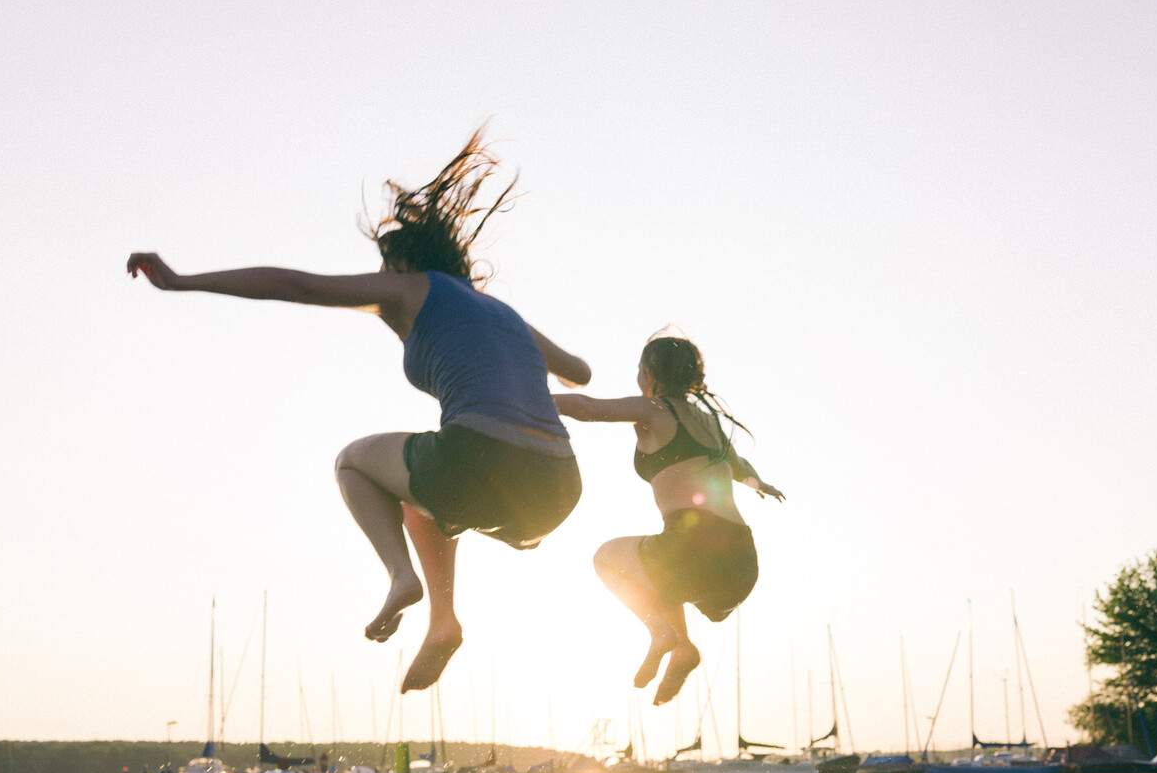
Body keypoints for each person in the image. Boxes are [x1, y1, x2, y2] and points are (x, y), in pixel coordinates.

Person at [126, 129, 590, 692]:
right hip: (558, 487)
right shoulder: (501, 311)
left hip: (480, 461)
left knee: (353, 461)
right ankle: (443, 622)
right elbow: (580, 371)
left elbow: (295, 285)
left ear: (398, 264)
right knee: (420, 498)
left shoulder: (410, 289)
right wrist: (527, 365)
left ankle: (401, 578)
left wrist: (182, 281)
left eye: (382, 267)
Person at [554, 334, 781, 705]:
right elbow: (740, 468)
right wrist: (762, 485)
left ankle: (662, 633)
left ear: (649, 373)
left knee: (608, 557)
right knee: (660, 572)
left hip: (693, 547)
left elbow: (587, 407)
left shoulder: (655, 410)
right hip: (741, 563)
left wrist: (529, 401)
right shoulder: (708, 422)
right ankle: (683, 649)